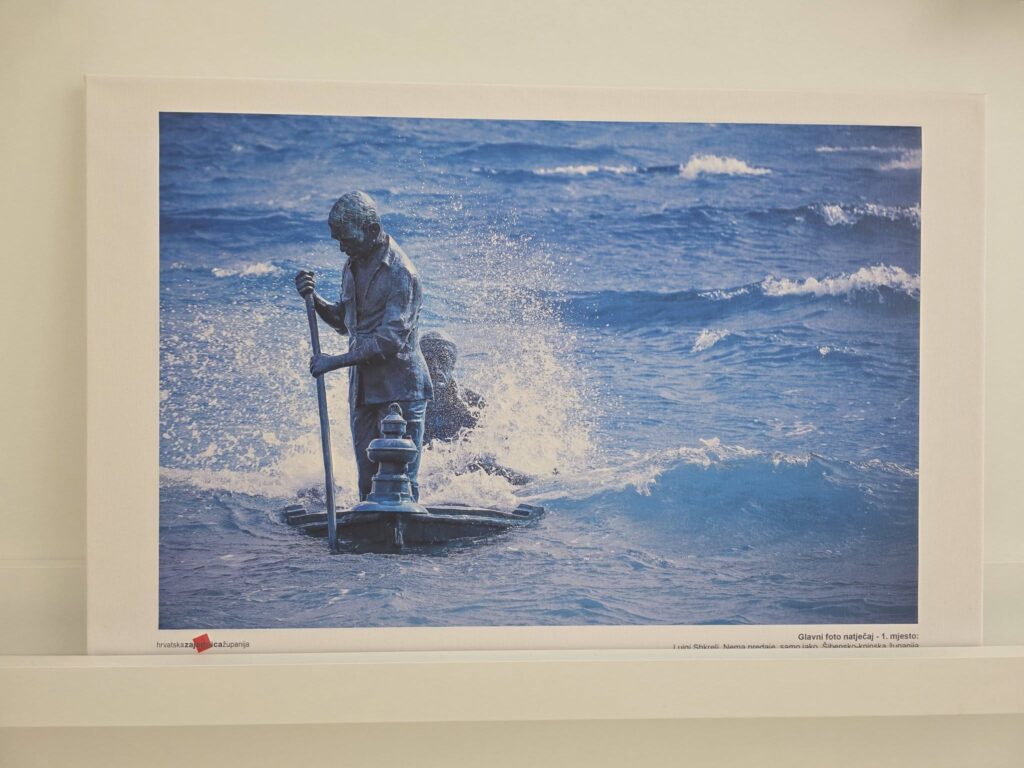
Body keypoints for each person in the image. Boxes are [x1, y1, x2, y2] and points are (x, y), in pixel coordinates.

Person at [295, 191, 432, 501]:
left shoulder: (402, 273)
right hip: (364, 389)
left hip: (400, 389)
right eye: (338, 240)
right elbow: (345, 323)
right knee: (367, 484)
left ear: (372, 230)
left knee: (400, 485)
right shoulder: (353, 264)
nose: (342, 247)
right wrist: (313, 299)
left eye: (347, 239)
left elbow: (389, 341)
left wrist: (333, 362)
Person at [419, 330, 532, 486]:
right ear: (419, 365)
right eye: (428, 360)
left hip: (461, 471)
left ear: (452, 364)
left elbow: (487, 451)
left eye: (442, 359)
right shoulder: (406, 403)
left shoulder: (473, 404)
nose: (435, 367)